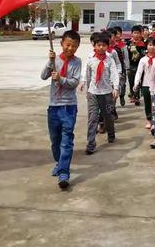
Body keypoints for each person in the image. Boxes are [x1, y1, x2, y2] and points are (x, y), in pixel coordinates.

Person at [41, 30, 81, 189]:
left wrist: (61, 79)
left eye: (74, 46)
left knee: (66, 141)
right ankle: (59, 162)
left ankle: (64, 172)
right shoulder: (55, 59)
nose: (70, 48)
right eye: (68, 45)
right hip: (54, 107)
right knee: (55, 140)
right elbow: (43, 76)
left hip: (69, 107)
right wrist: (50, 62)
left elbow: (74, 82)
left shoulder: (77, 62)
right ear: (62, 44)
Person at [84, 33, 119, 154]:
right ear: (94, 45)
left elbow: (114, 74)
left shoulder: (109, 60)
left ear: (107, 46)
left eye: (104, 45)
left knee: (108, 116)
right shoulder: (90, 60)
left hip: (107, 93)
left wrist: (116, 87)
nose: (101, 47)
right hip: (93, 93)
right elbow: (87, 75)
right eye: (99, 45)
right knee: (92, 118)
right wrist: (86, 88)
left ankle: (111, 134)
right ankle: (91, 143)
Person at [134, 38, 155, 129]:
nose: (152, 47)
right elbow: (139, 72)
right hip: (145, 85)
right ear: (146, 46)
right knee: (147, 103)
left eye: (154, 45)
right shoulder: (143, 60)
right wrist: (136, 83)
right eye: (150, 45)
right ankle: (149, 120)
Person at [127, 25, 147, 106]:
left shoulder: (143, 44)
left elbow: (144, 54)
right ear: (131, 34)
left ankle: (137, 97)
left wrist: (139, 55)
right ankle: (132, 94)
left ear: (141, 34)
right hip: (131, 65)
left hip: (140, 65)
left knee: (138, 81)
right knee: (131, 81)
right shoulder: (128, 43)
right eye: (134, 33)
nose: (136, 35)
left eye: (138, 33)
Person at [112, 26, 129, 106]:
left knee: (122, 84)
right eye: (116, 34)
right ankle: (113, 104)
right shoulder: (109, 46)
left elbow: (126, 57)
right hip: (112, 69)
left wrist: (127, 67)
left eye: (119, 34)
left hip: (121, 68)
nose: (118, 36)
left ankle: (122, 96)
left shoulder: (123, 45)